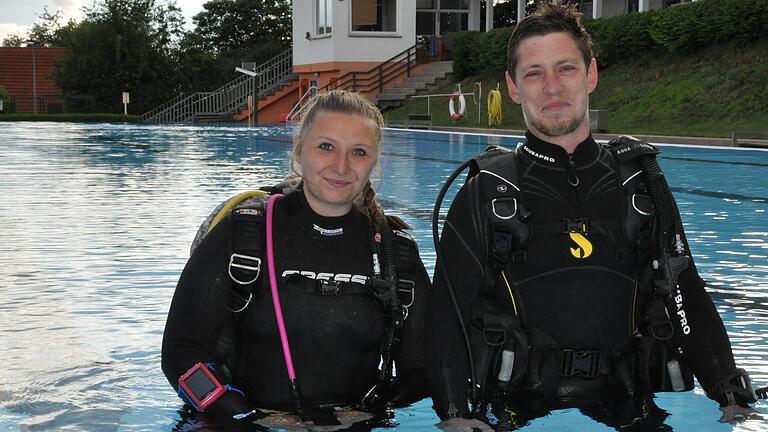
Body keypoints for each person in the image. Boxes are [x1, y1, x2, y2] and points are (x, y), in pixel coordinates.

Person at [425, 1, 760, 430]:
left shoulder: (640, 184)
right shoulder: (485, 193)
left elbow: (686, 293)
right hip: (513, 400)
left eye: (565, 68)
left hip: (628, 396)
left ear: (591, 74)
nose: (552, 87)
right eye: (534, 73)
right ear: (513, 87)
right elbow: (447, 313)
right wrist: (454, 414)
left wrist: (731, 396)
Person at [162, 90, 430, 428]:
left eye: (358, 152)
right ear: (300, 147)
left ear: (374, 160)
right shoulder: (244, 234)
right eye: (326, 147)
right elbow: (182, 351)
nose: (341, 166)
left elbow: (421, 368)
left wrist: (368, 412)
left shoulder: (393, 252)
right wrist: (249, 417)